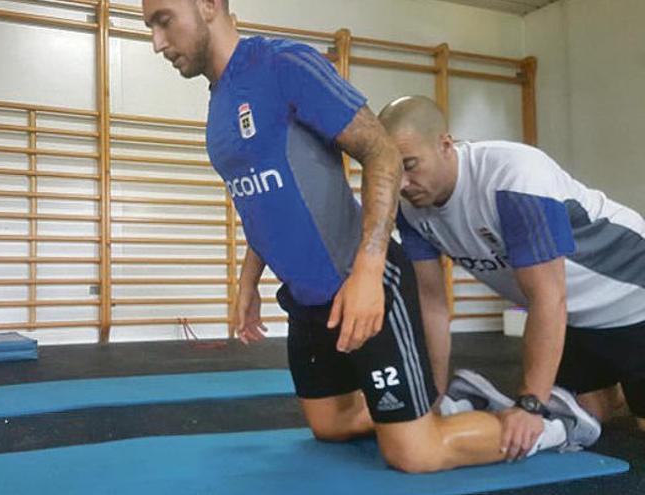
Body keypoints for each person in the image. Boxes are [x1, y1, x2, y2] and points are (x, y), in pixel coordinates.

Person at [141, 0, 598, 472]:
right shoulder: (219, 100)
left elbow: (382, 151)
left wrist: (368, 271)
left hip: (362, 285)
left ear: (209, 5)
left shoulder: (283, 64)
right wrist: (247, 281)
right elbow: (264, 201)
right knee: (331, 426)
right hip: (308, 301)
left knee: (413, 455)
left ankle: (553, 423)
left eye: (163, 20)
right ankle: (440, 406)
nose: (157, 42)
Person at [377, 95, 645, 455]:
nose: (403, 183)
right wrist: (433, 397)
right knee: (587, 414)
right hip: (577, 320)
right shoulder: (411, 210)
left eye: (410, 165)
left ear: (445, 145)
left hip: (634, 299)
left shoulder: (512, 176)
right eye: (392, 171)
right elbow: (431, 305)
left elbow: (548, 296)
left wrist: (530, 403)